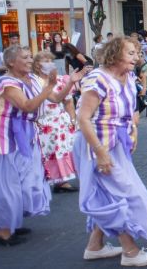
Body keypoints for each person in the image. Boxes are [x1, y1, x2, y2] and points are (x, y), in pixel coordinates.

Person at [73, 37, 147, 265]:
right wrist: (100, 153)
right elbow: (83, 119)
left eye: (137, 53)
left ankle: (95, 246)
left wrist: (133, 131)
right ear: (114, 54)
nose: (137, 57)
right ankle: (130, 252)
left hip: (116, 144)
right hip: (95, 145)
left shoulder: (128, 77)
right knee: (121, 194)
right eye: (131, 53)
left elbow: (132, 112)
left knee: (109, 193)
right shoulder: (97, 79)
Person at [0, 46, 67, 246]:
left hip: (26, 134)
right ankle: (2, 231)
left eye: (29, 57)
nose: (29, 60)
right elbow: (27, 106)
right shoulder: (6, 82)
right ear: (10, 62)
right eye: (24, 57)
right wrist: (49, 87)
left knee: (26, 179)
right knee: (6, 182)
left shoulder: (32, 79)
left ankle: (13, 221)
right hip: (4, 134)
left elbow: (57, 99)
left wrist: (69, 83)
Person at [33, 52, 88, 193]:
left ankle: (61, 180)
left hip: (60, 120)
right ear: (37, 65)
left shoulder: (58, 79)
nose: (49, 63)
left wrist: (73, 119)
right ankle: (49, 180)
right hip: (43, 121)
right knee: (48, 152)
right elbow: (52, 98)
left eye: (51, 60)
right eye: (46, 60)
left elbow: (67, 101)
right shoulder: (34, 81)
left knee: (65, 149)